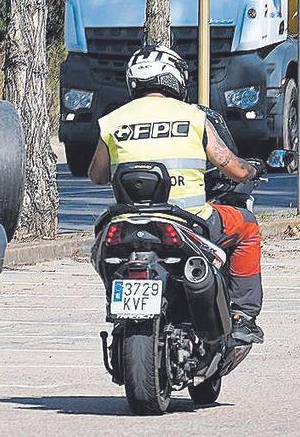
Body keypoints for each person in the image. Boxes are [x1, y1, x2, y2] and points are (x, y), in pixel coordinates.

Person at [87, 44, 266, 344]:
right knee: (247, 226)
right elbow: (230, 166)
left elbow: (96, 174)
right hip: (190, 221)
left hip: (128, 223)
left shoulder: (113, 121)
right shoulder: (193, 117)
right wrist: (252, 170)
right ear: (175, 78)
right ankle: (243, 315)